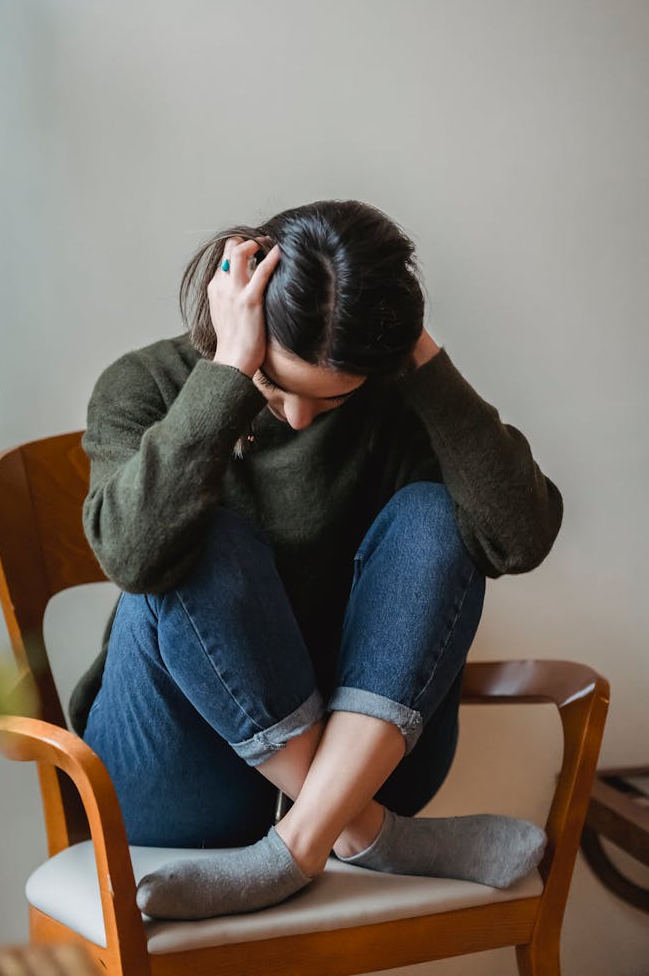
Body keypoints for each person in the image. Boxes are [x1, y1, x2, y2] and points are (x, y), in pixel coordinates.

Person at [70, 198, 563, 921]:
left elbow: (518, 538)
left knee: (437, 517)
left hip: (369, 752)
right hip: (174, 771)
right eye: (277, 385)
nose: (299, 417)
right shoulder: (144, 385)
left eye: (329, 402)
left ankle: (297, 844)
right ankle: (362, 832)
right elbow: (133, 555)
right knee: (198, 537)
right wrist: (228, 377)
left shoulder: (394, 397)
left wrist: (422, 360)